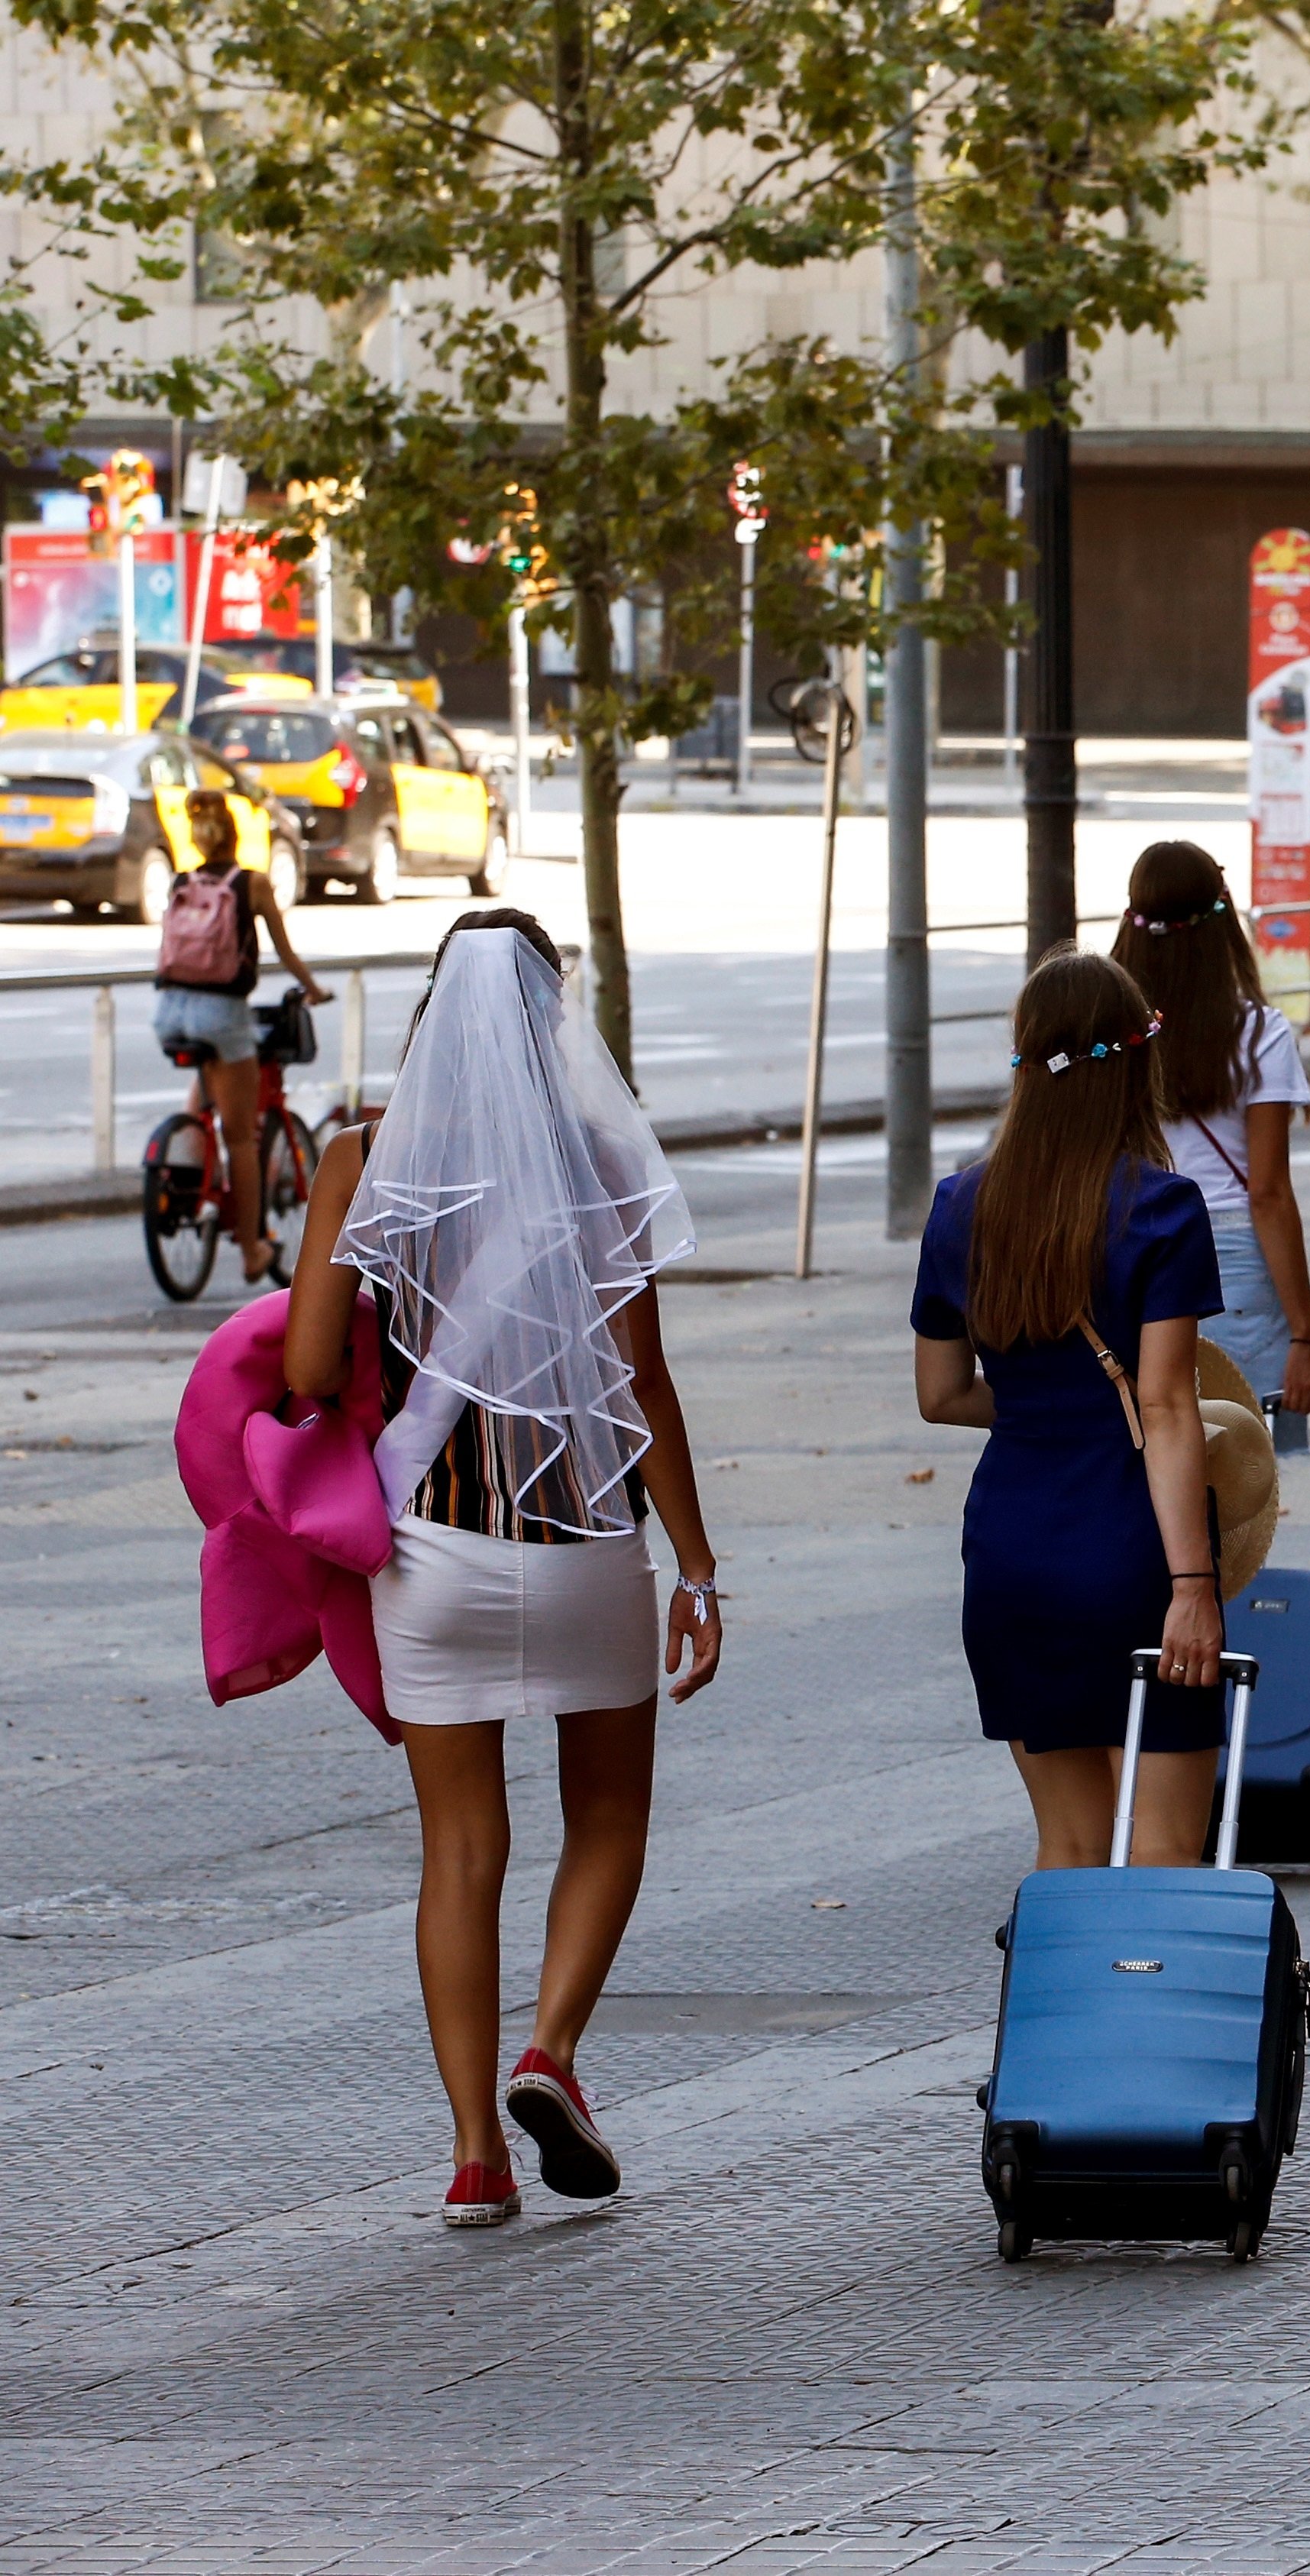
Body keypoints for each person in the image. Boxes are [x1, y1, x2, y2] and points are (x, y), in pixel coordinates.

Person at [279, 909, 723, 2229]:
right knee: (610, 1820)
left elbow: (306, 1374)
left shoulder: (362, 1159)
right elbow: (643, 1381)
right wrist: (696, 1565)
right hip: (587, 1543)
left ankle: (475, 2156)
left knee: (461, 1849)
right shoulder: (593, 1162)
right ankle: (553, 2050)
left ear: (431, 1014)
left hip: (437, 1549)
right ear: (550, 1023)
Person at [913, 952, 1231, 1872]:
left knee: (1069, 1841)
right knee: (1167, 1844)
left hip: (1012, 1547)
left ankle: (1058, 2016)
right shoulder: (1161, 1210)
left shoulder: (961, 1206)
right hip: (1130, 1547)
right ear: (1137, 1064)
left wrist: (1037, 1403)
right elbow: (1168, 1406)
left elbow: (939, 1395)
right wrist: (1193, 1589)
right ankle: (1148, 2014)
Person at [1107, 840, 1310, 1420]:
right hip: (1229, 1261)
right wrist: (1307, 1334)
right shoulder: (1260, 1033)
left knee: (1139, 1459)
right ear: (1223, 920)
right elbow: (1268, 1193)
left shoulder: (1106, 1032)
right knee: (1238, 1476)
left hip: (1122, 1246)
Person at [150, 789, 323, 1285]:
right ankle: (251, 1249)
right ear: (235, 832)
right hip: (221, 1012)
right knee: (242, 1135)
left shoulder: (182, 881)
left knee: (206, 1093)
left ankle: (185, 1170)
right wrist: (315, 990)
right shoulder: (252, 884)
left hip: (170, 1009)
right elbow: (286, 954)